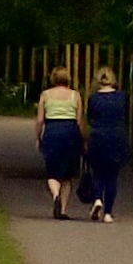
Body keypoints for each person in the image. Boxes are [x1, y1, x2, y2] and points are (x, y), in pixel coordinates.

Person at [36, 66, 84, 219]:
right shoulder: (75, 95)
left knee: (52, 171)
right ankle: (63, 210)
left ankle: (55, 194)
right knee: (68, 175)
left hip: (52, 130)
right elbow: (80, 120)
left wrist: (39, 137)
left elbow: (39, 120)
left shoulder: (45, 95)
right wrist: (83, 139)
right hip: (70, 132)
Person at [86, 66, 130, 223]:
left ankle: (97, 198)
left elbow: (90, 118)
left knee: (97, 172)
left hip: (98, 137)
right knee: (112, 176)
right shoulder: (122, 97)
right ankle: (108, 213)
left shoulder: (93, 98)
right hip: (117, 138)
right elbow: (125, 117)